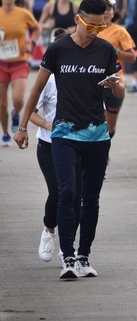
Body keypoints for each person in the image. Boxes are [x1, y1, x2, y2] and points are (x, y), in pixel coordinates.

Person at [13, 0, 125, 280]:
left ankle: (84, 256)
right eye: (90, 26)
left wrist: (115, 86)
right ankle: (68, 257)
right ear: (78, 19)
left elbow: (120, 91)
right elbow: (36, 89)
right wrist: (23, 126)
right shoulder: (58, 49)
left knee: (91, 198)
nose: (94, 32)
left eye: (100, 27)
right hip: (64, 134)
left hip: (97, 135)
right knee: (67, 193)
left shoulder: (106, 50)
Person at [29, 28, 81, 264]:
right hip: (49, 145)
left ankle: (67, 246)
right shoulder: (48, 80)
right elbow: (31, 111)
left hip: (79, 144)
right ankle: (49, 231)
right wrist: (48, 125)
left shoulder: (84, 77)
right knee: (60, 192)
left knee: (77, 197)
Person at [0, 0, 40, 146]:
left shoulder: (23, 14)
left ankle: (16, 113)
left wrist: (31, 43)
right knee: (1, 103)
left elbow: (37, 28)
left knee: (18, 99)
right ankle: (5, 133)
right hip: (1, 63)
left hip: (19, 61)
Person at [97, 0, 136, 139]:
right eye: (102, 9)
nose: (105, 13)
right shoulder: (89, 29)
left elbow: (132, 57)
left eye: (108, 9)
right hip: (92, 80)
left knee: (110, 128)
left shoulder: (120, 31)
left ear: (113, 12)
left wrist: (115, 51)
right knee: (93, 122)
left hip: (113, 82)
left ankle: (103, 145)